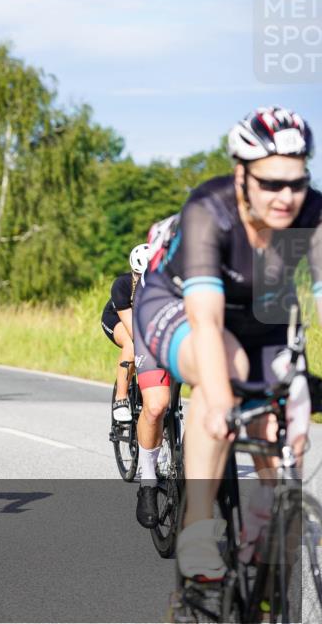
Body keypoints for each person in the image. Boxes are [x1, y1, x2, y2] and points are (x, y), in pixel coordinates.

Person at [134, 105, 319, 580]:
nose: (286, 197)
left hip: (261, 313)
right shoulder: (209, 210)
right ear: (242, 176)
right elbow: (207, 321)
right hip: (175, 302)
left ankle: (258, 554)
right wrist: (218, 401)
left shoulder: (313, 214)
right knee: (224, 377)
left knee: (282, 428)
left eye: (296, 182)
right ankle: (196, 527)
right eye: (271, 183)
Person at [100, 243, 171, 527]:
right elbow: (136, 330)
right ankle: (120, 397)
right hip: (119, 320)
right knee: (131, 344)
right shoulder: (122, 286)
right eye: (139, 276)